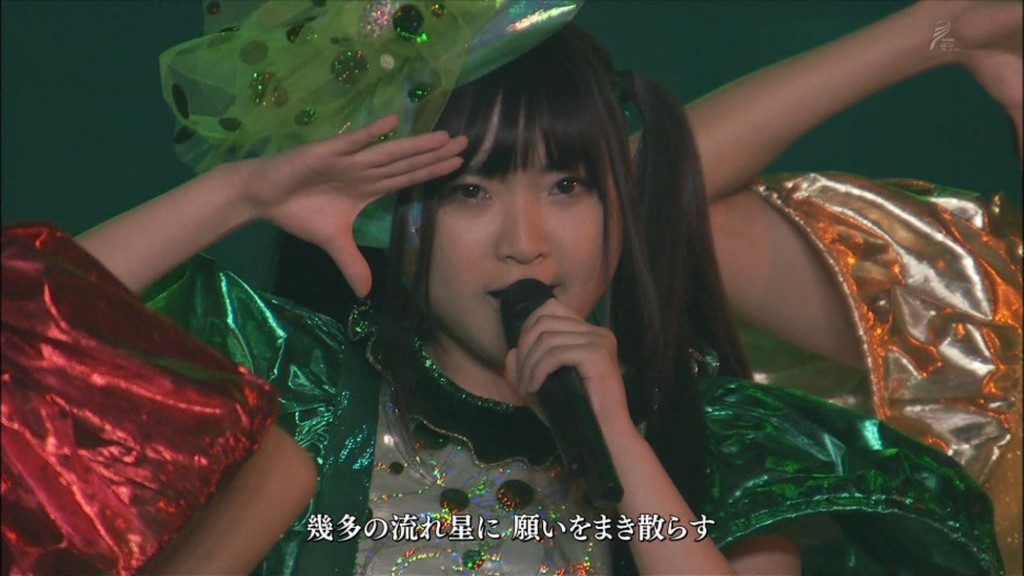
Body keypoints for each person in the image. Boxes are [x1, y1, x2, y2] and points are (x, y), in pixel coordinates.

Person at [2, 1, 1017, 574]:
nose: (525, 244)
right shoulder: (303, 394)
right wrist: (240, 192)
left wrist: (617, 440)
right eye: (471, 191)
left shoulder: (710, 439)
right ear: (392, 219)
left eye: (568, 186)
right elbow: (29, 317)